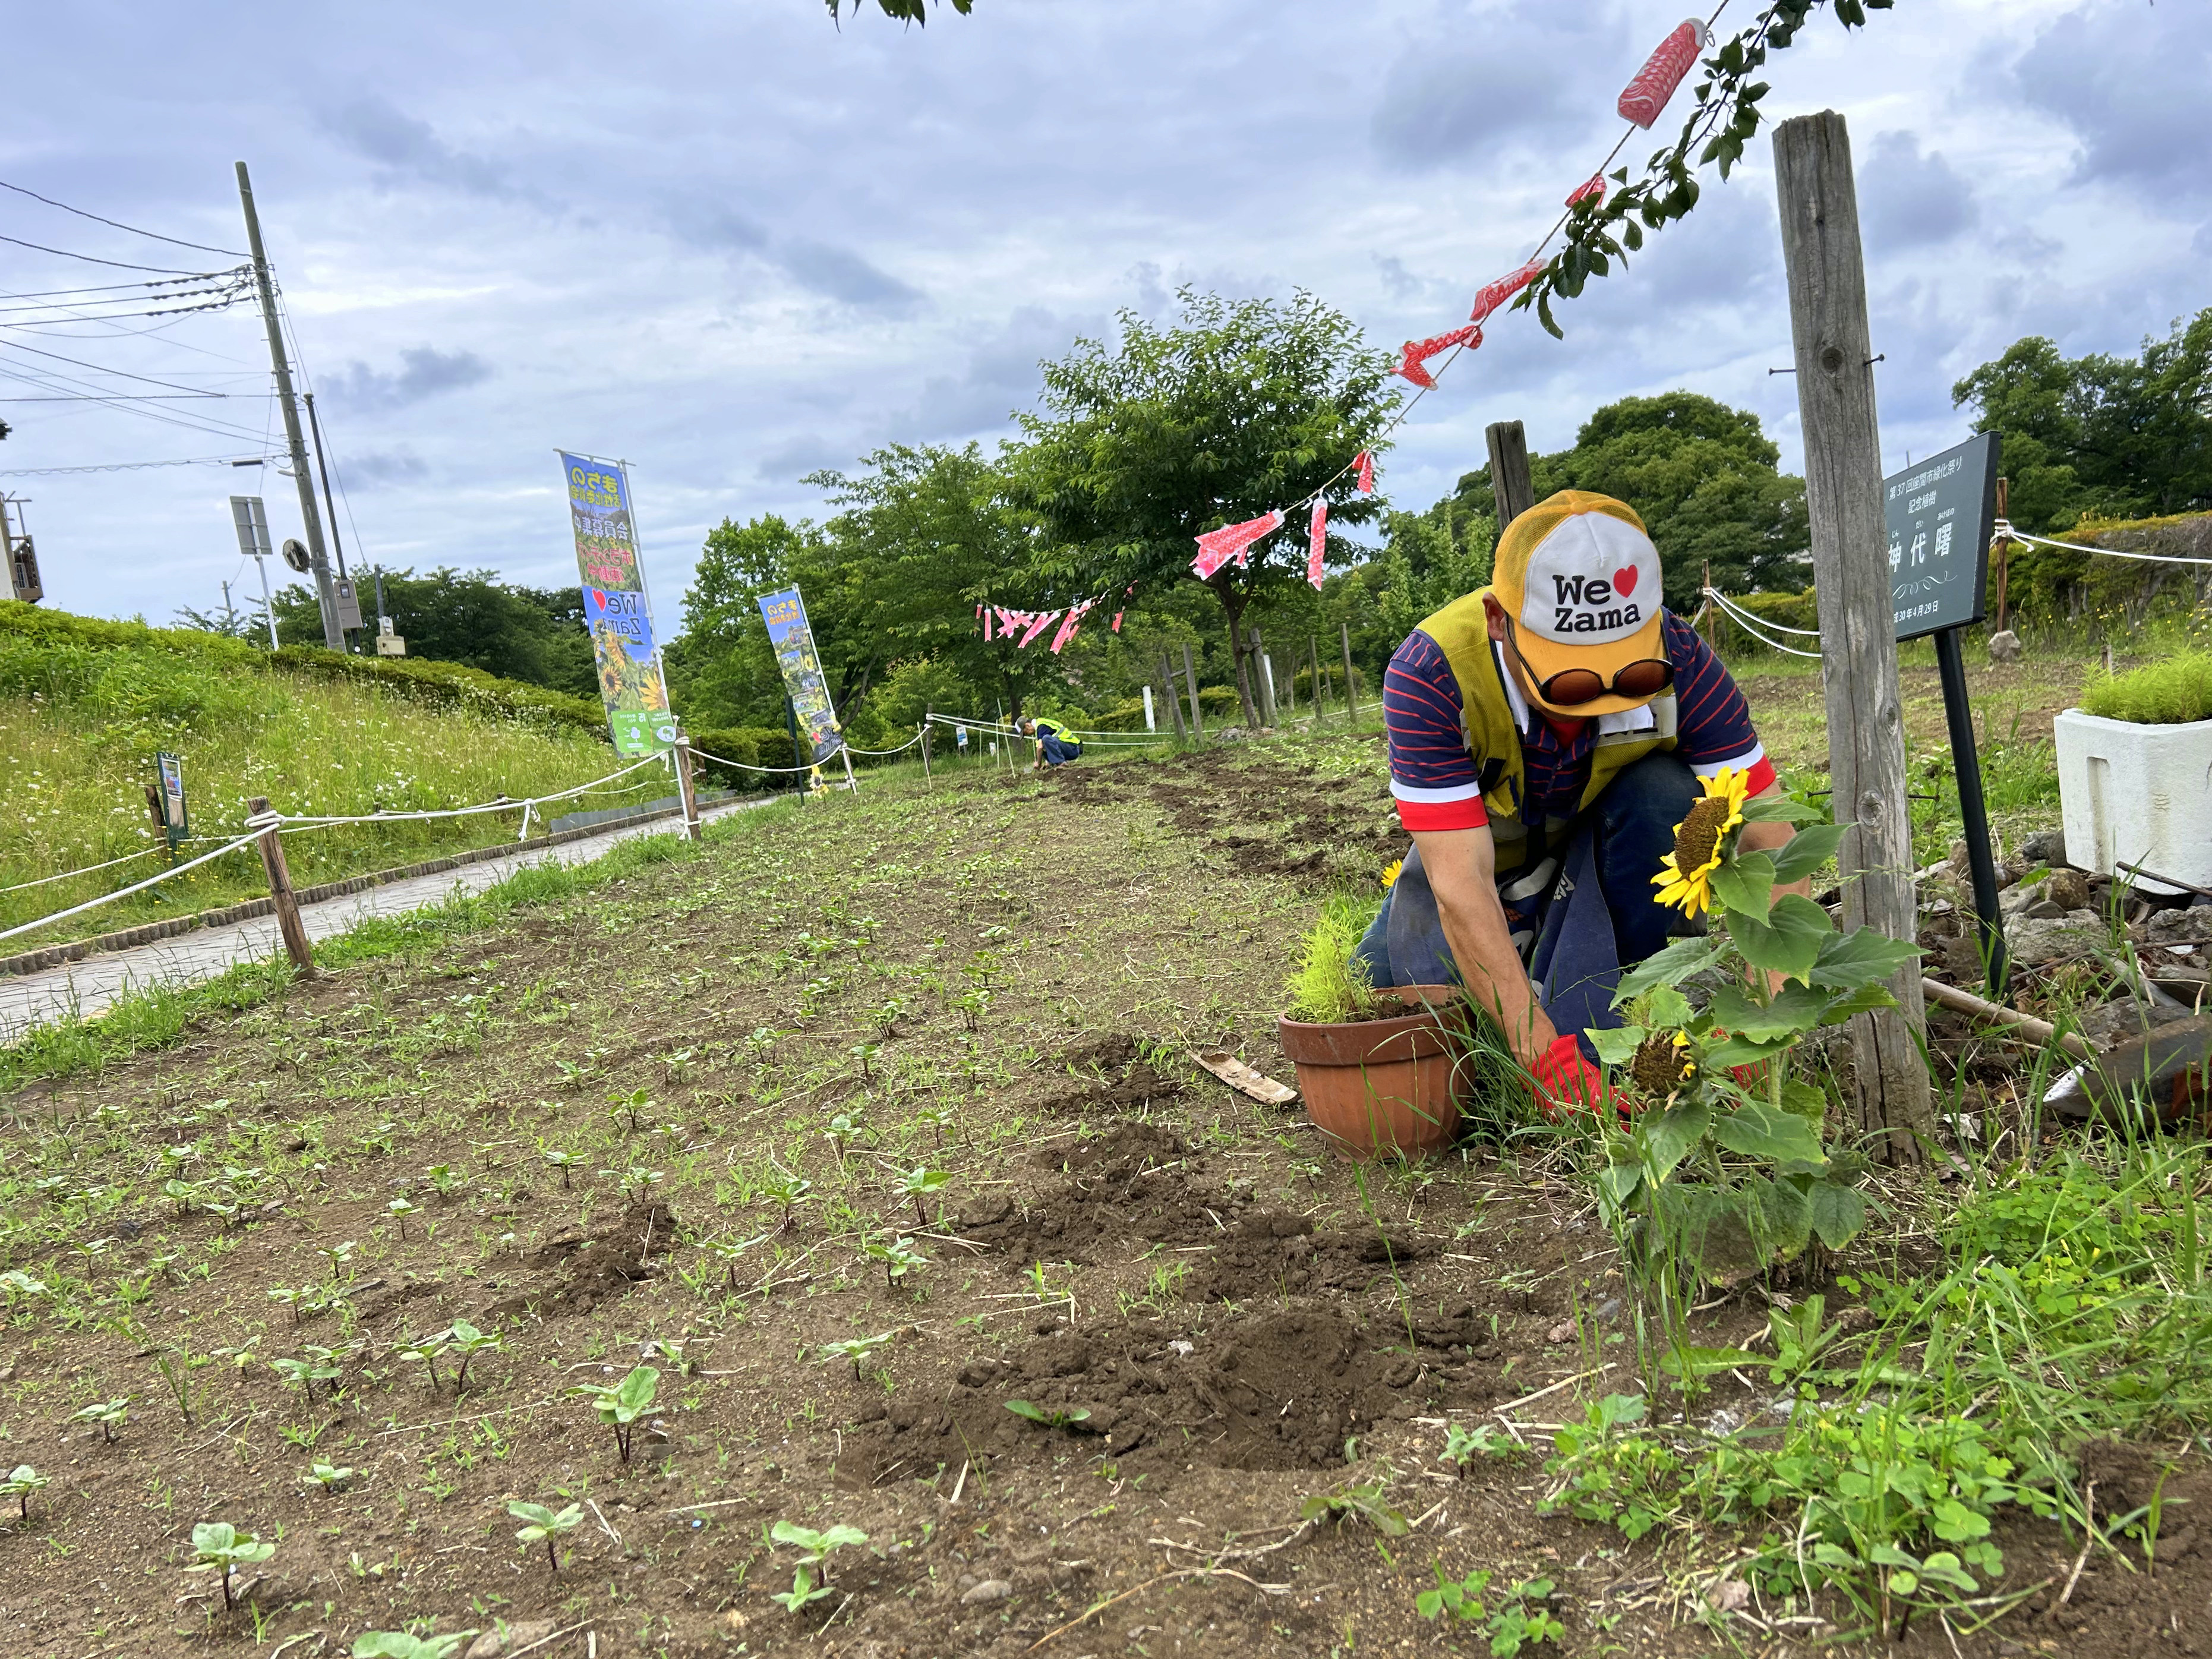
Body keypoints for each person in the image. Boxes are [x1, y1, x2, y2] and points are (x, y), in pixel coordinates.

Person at [1353, 490, 1809, 1115]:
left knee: (1667, 793)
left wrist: (1767, 1022)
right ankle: (1530, 984)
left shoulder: (1683, 656)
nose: (1602, 698)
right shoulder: (1432, 672)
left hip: (1607, 848)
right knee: (1393, 1002)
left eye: (1628, 672)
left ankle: (1609, 987)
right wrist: (1545, 1058)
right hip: (1489, 860)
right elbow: (1461, 881)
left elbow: (1773, 839)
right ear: (1497, 620)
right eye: (1569, 675)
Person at [1018, 714, 1083, 771]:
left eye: (1025, 733)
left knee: (1045, 739)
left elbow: (1040, 747)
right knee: (1042, 742)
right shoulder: (1039, 728)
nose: (1027, 735)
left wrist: (1038, 764)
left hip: (1073, 748)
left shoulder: (1041, 726)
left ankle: (1061, 763)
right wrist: (1047, 762)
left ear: (1027, 726)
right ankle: (1053, 764)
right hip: (1067, 748)